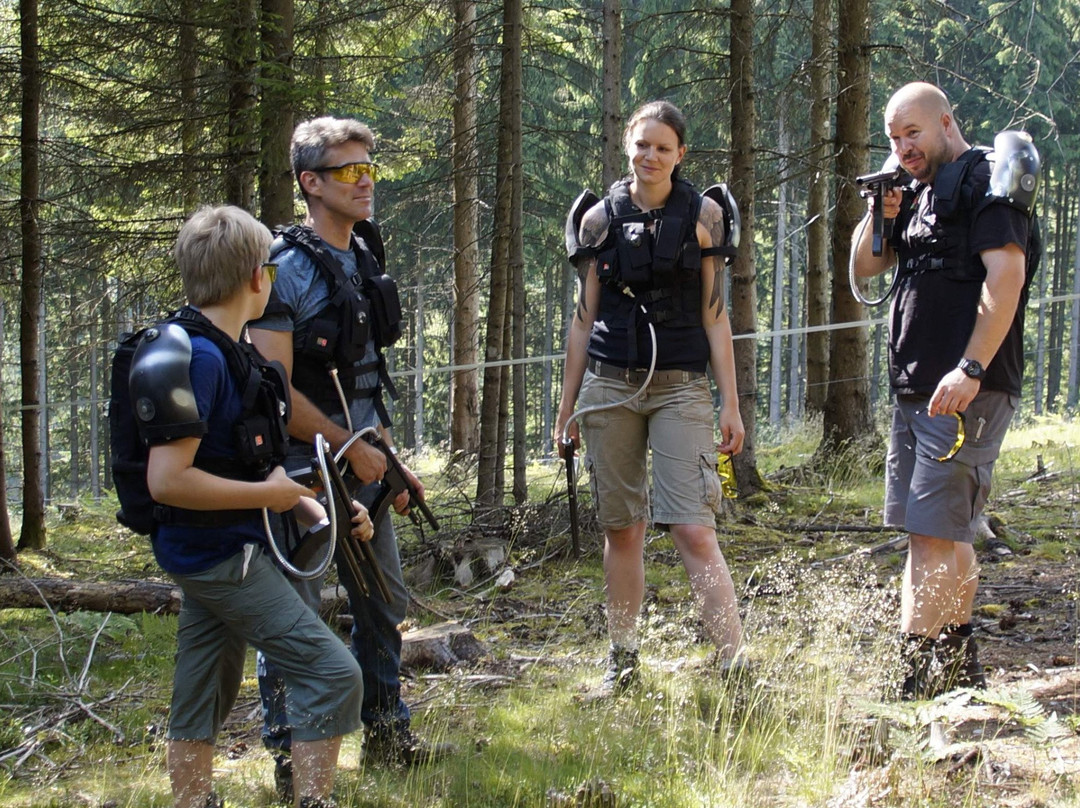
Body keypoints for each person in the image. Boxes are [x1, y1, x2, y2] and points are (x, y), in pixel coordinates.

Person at [140, 205, 370, 808]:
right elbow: (169, 481)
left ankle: (195, 803)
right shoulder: (202, 357)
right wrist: (269, 496)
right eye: (268, 266)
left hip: (216, 551)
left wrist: (319, 512)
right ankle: (313, 801)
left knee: (201, 694)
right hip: (220, 557)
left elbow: (245, 463)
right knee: (332, 674)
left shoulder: (230, 351)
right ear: (255, 278)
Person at [250, 117, 451, 794]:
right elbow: (273, 391)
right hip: (300, 472)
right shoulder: (281, 268)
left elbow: (365, 375)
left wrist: (388, 458)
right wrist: (350, 446)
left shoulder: (363, 251)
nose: (365, 181)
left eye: (369, 168)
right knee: (296, 616)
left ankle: (388, 732)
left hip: (366, 460)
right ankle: (289, 759)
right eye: (347, 171)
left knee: (381, 603)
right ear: (310, 182)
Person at [851, 82, 1040, 699]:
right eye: (893, 138)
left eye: (913, 133)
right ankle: (958, 665)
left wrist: (972, 368)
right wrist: (880, 206)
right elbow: (864, 268)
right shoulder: (917, 193)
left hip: (966, 389)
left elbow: (1005, 278)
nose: (903, 147)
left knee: (930, 534)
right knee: (941, 530)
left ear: (946, 122)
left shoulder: (989, 183)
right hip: (917, 387)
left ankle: (910, 682)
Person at [555, 100, 746, 699]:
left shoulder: (704, 216)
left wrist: (731, 405)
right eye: (642, 146)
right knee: (623, 529)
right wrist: (567, 410)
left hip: (682, 388)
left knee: (693, 529)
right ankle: (624, 659)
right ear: (627, 148)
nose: (651, 157)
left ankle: (736, 664)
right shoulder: (599, 221)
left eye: (663, 147)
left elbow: (717, 318)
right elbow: (582, 323)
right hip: (610, 386)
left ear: (681, 154)